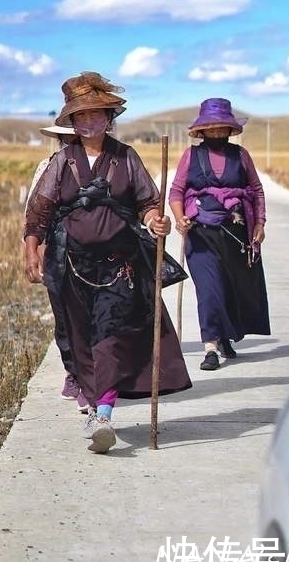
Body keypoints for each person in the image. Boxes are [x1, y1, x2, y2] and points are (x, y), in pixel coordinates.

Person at [23, 72, 192, 454]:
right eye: (79, 117)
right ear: (71, 121)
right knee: (80, 339)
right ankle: (90, 397)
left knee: (110, 338)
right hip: (72, 265)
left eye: (94, 115)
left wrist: (155, 220)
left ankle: (103, 414)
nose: (87, 122)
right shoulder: (63, 161)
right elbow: (40, 209)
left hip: (120, 266)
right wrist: (32, 249)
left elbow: (148, 201)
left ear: (108, 117)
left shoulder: (125, 157)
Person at [168, 98, 270, 371]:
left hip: (236, 233)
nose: (217, 132)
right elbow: (176, 192)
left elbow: (257, 190)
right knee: (209, 289)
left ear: (229, 129)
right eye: (211, 127)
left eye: (222, 127)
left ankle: (226, 337)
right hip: (200, 232)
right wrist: (180, 219)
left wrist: (259, 223)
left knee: (230, 287)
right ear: (202, 130)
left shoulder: (241, 155)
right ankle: (210, 347)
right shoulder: (191, 156)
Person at [24, 124, 89, 413]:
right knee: (65, 318)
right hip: (59, 251)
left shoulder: (111, 162)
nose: (71, 141)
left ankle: (93, 382)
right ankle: (74, 372)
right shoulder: (48, 166)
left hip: (101, 253)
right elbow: (34, 212)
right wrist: (31, 251)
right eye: (67, 136)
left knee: (98, 318)